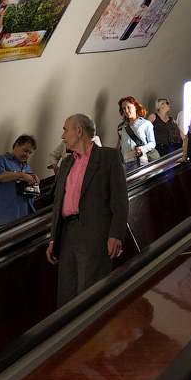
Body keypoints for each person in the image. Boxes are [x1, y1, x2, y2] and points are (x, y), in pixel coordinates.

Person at [46, 114, 129, 307]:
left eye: (65, 130)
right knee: (67, 297)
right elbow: (59, 203)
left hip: (96, 235)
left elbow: (120, 200)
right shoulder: (66, 163)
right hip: (67, 235)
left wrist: (116, 234)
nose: (62, 136)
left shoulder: (108, 157)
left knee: (91, 295)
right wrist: (53, 239)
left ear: (79, 130)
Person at [0, 135, 40, 227]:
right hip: (6, 218)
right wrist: (21, 175)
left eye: (30, 153)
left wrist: (35, 181)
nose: (27, 155)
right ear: (17, 146)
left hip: (26, 217)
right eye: (25, 151)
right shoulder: (1, 160)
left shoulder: (27, 168)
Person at [117, 96, 156, 172]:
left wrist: (142, 149)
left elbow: (152, 143)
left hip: (140, 159)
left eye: (129, 107)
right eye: (124, 108)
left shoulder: (145, 123)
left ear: (135, 107)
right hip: (126, 162)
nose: (126, 110)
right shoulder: (123, 127)